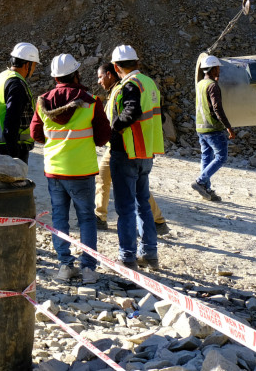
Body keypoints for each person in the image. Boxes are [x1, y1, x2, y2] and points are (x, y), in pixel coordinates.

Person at [30, 54, 110, 283]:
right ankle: (88, 269)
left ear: (55, 77)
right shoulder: (91, 101)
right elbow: (103, 137)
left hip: (55, 169)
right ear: (76, 74)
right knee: (86, 218)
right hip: (81, 170)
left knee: (59, 218)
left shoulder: (43, 102)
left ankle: (65, 266)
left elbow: (36, 134)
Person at [94, 63, 171, 235]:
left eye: (100, 77)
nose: (99, 81)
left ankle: (157, 221)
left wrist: (115, 128)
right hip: (121, 145)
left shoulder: (126, 87)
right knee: (103, 177)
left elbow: (130, 112)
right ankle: (100, 216)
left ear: (109, 73)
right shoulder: (138, 85)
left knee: (136, 188)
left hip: (127, 146)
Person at [109, 45, 165, 270]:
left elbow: (131, 111)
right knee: (143, 204)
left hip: (127, 152)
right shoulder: (148, 83)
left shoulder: (130, 85)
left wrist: (113, 128)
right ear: (137, 63)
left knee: (125, 208)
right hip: (145, 152)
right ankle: (150, 254)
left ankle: (128, 257)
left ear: (115, 67)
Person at [192, 55, 237, 202]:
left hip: (201, 127)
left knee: (206, 157)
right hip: (213, 128)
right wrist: (228, 127)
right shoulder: (212, 86)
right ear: (213, 69)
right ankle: (200, 181)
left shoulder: (200, 84)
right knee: (221, 157)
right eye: (218, 68)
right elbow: (217, 108)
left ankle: (206, 189)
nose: (219, 70)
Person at [0, 42, 39, 163]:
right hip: (14, 147)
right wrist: (14, 155)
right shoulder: (17, 84)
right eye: (35, 65)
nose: (34, 69)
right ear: (27, 65)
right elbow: (12, 120)